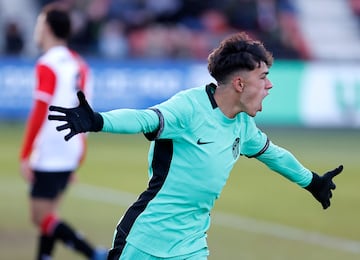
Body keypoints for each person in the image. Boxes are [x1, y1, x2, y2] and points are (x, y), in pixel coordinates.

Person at [48, 32, 343, 260]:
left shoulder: (243, 126)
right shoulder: (189, 108)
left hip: (191, 246)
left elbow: (274, 155)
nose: (270, 85)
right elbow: (143, 119)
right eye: (263, 77)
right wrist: (98, 121)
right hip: (144, 240)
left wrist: (312, 182)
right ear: (240, 84)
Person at [19, 3, 107, 260]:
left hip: (51, 146)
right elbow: (87, 111)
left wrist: (26, 153)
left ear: (45, 27)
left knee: (39, 216)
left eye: (38, 24)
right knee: (50, 214)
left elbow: (39, 111)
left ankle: (93, 254)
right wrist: (80, 152)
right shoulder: (81, 65)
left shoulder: (47, 64)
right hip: (72, 145)